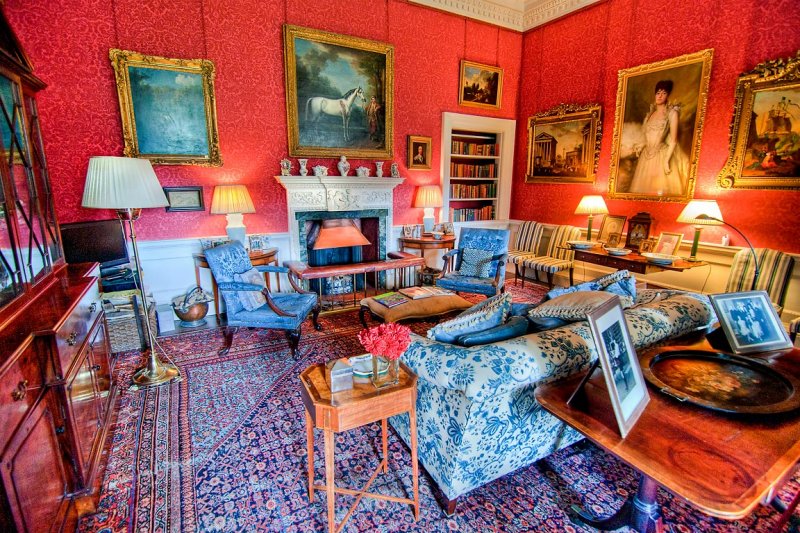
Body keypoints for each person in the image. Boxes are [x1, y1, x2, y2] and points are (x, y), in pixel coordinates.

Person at [628, 80, 689, 197]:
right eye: (658, 93)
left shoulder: (672, 113)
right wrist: (640, 146)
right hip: (646, 157)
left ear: (668, 95)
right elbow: (646, 136)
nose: (660, 96)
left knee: (660, 191)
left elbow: (674, 140)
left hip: (662, 155)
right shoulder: (649, 114)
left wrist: (666, 161)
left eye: (664, 93)